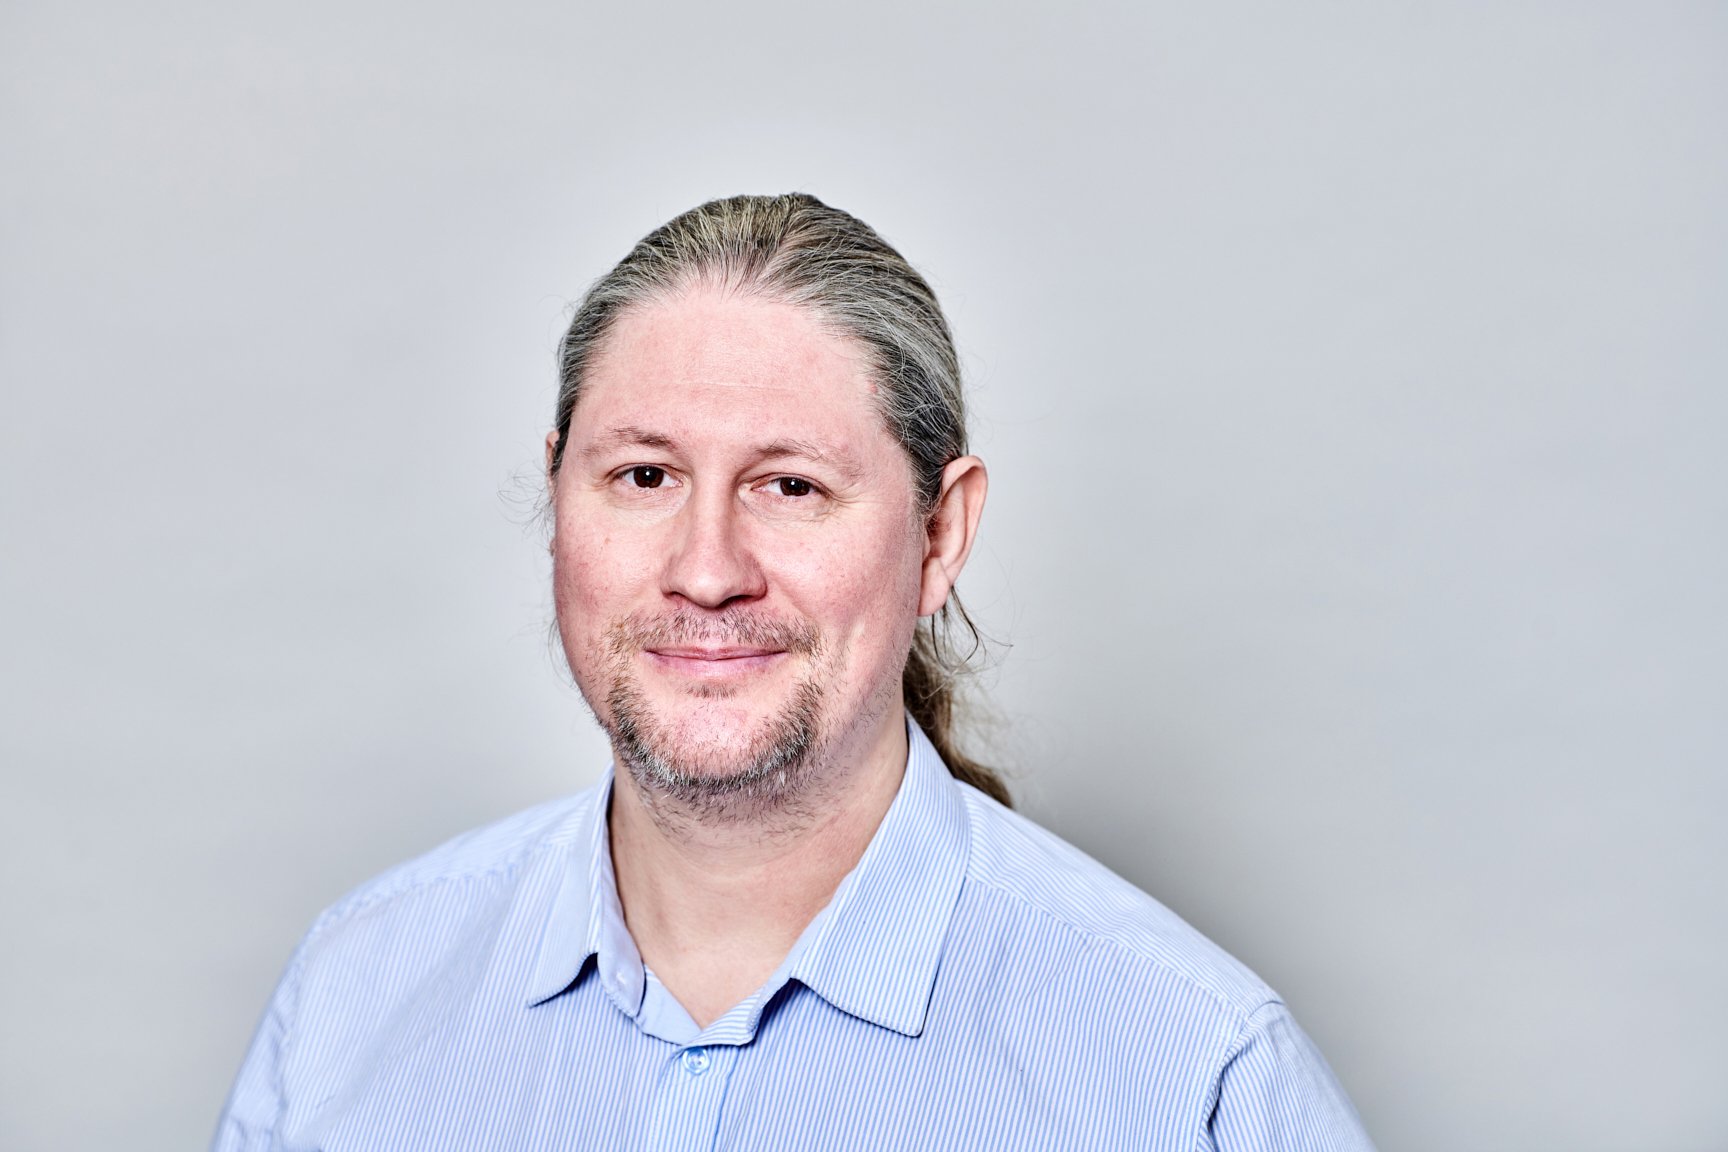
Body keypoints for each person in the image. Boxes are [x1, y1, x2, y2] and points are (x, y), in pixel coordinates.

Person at [213, 193, 1375, 1150]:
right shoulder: (354, 995)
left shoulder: (1190, 1076)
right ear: (559, 493)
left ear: (939, 535)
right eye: (645, 476)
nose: (706, 571)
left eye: (792, 486)